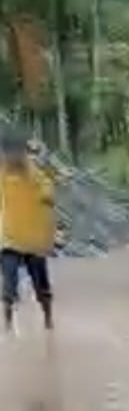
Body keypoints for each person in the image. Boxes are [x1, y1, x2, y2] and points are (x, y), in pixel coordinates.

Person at [0, 130, 55, 333]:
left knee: (41, 284)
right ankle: (7, 327)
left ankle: (48, 319)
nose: (12, 157)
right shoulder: (2, 173)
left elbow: (49, 196)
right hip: (9, 238)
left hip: (33, 239)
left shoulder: (35, 174)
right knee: (8, 283)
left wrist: (45, 196)